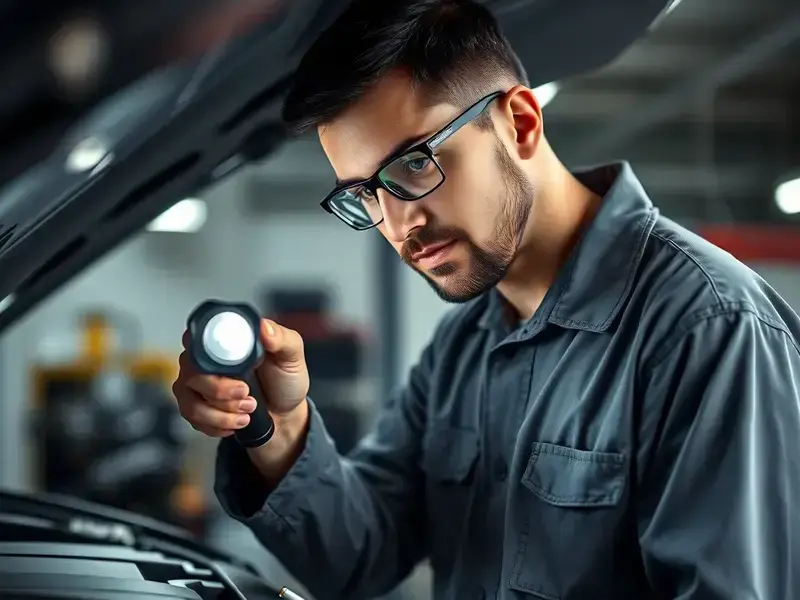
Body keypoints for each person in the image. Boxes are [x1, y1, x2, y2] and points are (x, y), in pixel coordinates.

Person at [171, 1, 800, 598]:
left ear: (520, 123)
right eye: (364, 194)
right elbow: (362, 551)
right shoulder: (466, 342)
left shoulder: (708, 328)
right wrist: (276, 427)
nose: (397, 226)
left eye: (414, 165)